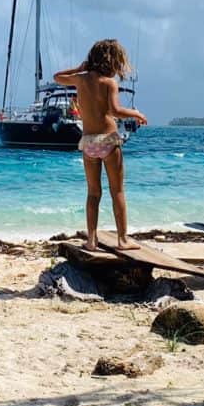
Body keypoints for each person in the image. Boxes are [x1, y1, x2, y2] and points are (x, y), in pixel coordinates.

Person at [54, 39, 147, 251]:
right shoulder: (109, 83)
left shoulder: (80, 79)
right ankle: (123, 240)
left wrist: (79, 68)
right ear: (112, 61)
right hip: (108, 140)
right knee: (118, 192)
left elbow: (57, 77)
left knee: (93, 193)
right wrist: (137, 114)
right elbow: (115, 111)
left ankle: (91, 240)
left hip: (87, 142)